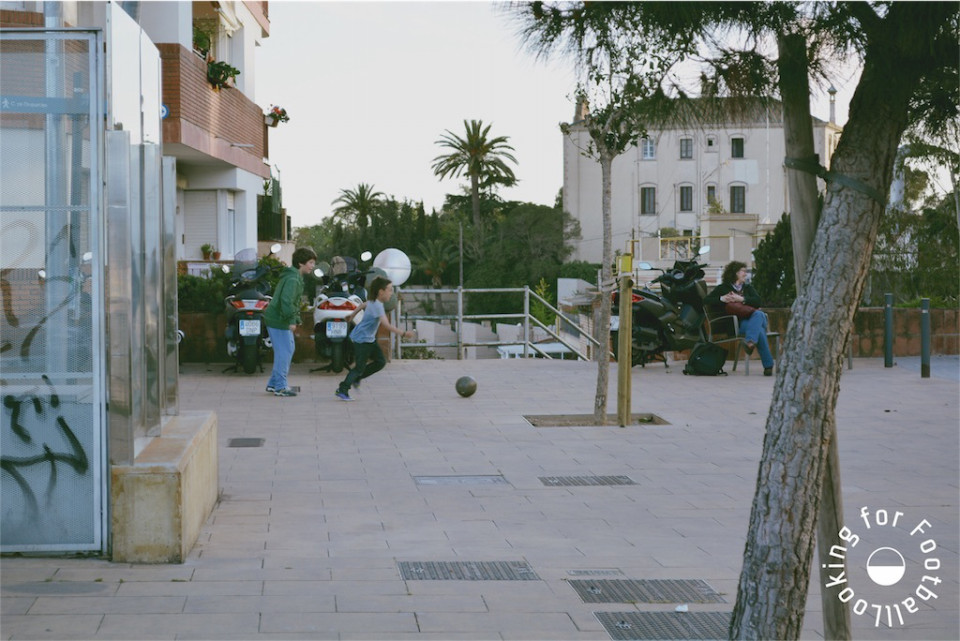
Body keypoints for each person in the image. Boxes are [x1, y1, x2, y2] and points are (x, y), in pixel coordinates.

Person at [335, 276, 414, 401]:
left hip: (369, 339)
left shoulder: (374, 302)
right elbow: (386, 325)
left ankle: (357, 379)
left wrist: (352, 315)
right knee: (359, 368)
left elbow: (363, 305)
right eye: (389, 290)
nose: (391, 293)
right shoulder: (377, 306)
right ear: (381, 292)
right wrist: (404, 333)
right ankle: (343, 389)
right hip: (361, 340)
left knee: (380, 362)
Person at [704, 261, 775, 376]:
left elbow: (758, 301)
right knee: (760, 328)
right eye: (743, 271)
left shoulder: (748, 288)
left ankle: (750, 342)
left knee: (758, 316)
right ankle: (767, 365)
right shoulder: (723, 288)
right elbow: (706, 301)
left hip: (751, 321)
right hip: (736, 325)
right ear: (735, 273)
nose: (745, 274)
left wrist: (741, 299)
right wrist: (722, 299)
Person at [263, 246, 317, 396]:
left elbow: (292, 302)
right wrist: (291, 320)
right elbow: (286, 301)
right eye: (311, 262)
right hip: (278, 319)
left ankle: (274, 384)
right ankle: (280, 386)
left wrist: (295, 318)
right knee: (285, 352)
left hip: (278, 318)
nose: (313, 266)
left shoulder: (294, 276)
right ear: (301, 263)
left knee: (286, 350)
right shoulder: (293, 278)